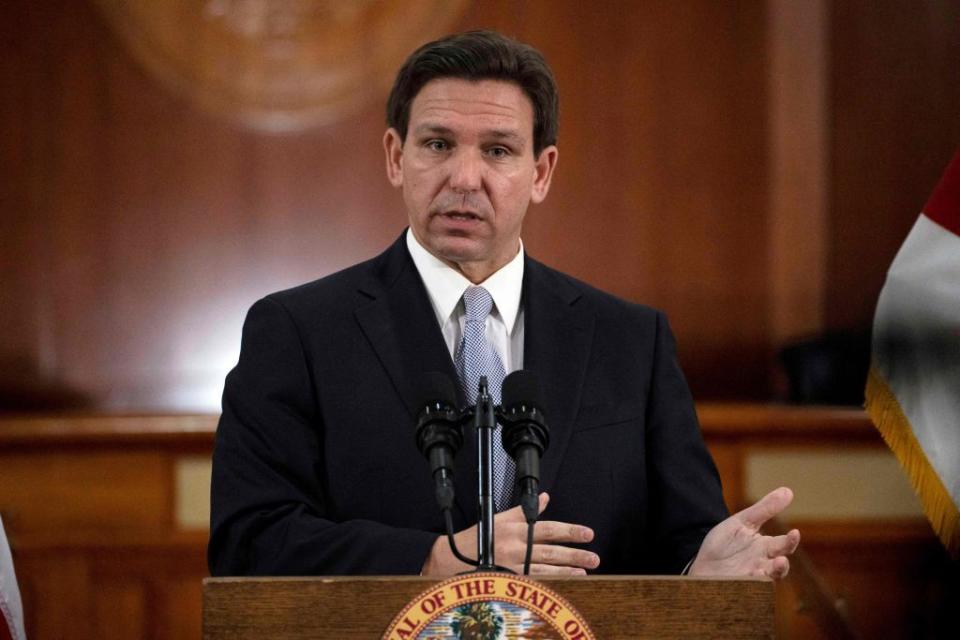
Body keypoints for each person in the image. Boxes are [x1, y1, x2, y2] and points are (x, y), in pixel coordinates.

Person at [208, 30, 799, 578]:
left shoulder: (629, 340)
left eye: (497, 151)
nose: (465, 178)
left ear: (540, 172)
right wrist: (434, 558)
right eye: (438, 144)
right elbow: (247, 540)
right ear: (396, 157)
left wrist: (704, 573)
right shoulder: (299, 332)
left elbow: (680, 541)